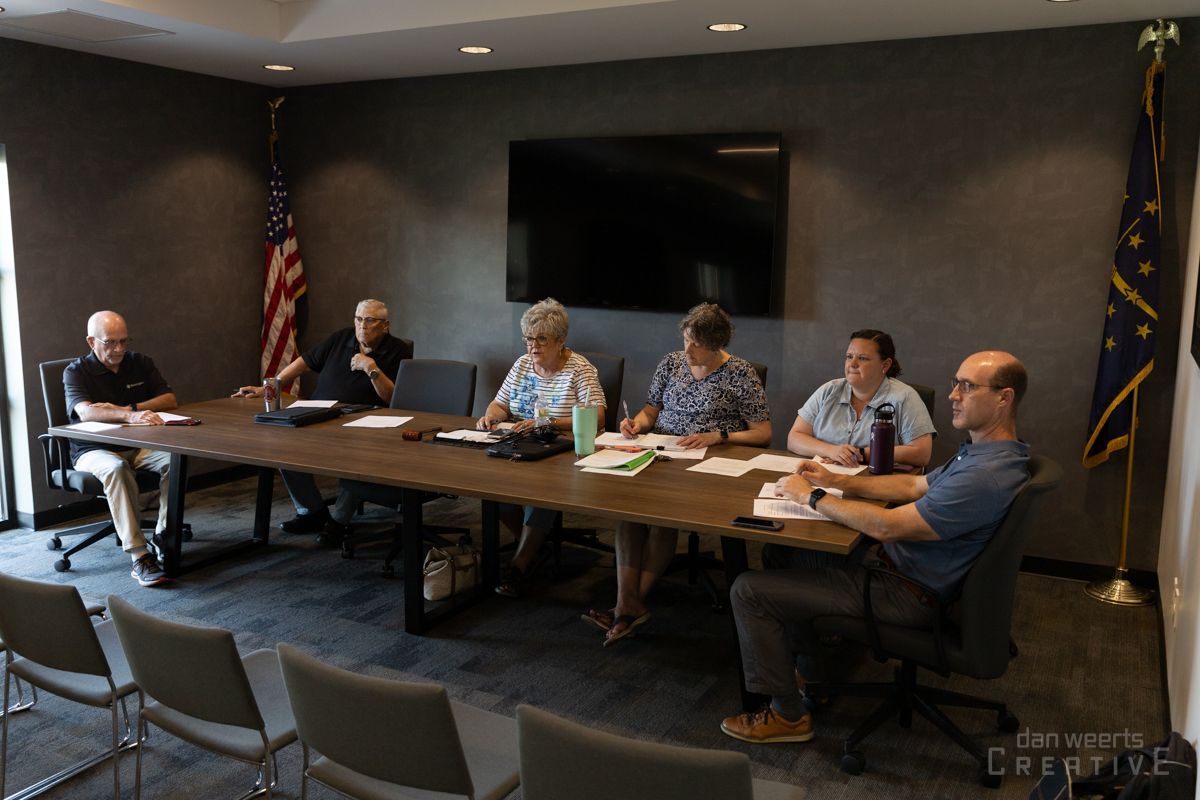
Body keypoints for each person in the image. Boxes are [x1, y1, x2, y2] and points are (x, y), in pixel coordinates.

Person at [718, 351, 1029, 745]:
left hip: (906, 591)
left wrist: (812, 496)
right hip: (903, 571)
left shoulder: (984, 476)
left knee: (748, 591)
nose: (953, 395)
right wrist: (839, 480)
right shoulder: (987, 454)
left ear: (1004, 397)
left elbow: (888, 525)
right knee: (782, 554)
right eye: (955, 383)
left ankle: (788, 717)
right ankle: (813, 673)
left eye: (966, 387)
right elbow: (914, 485)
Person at [585, 303, 771, 646]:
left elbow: (763, 433)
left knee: (661, 517)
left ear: (716, 344)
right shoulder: (671, 363)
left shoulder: (741, 374)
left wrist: (721, 435)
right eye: (685, 340)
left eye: (695, 344)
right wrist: (635, 425)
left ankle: (625, 606)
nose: (686, 350)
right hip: (661, 453)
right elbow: (651, 410)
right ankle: (628, 604)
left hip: (709, 465)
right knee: (628, 512)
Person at [233, 299, 411, 535]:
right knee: (282, 444)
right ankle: (311, 511)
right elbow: (303, 363)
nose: (362, 326)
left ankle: (338, 522)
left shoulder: (398, 350)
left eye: (370, 320)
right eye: (358, 319)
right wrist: (271, 386)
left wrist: (371, 368)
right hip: (321, 411)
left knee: (360, 456)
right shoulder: (340, 338)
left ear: (385, 325)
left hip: (364, 420)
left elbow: (393, 398)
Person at [474, 298, 605, 597]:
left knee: (542, 493)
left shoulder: (579, 369)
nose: (533, 347)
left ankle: (521, 562)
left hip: (561, 449)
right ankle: (533, 544)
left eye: (542, 339)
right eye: (529, 339)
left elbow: (597, 417)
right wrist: (491, 416)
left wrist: (543, 424)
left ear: (560, 341)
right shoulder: (522, 365)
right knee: (490, 486)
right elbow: (499, 403)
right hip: (520, 443)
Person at [64, 311, 178, 587]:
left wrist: (127, 410)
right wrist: (128, 417)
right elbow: (85, 412)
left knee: (175, 461)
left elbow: (170, 399)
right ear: (92, 341)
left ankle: (163, 536)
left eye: (123, 342)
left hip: (138, 445)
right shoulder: (76, 371)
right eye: (110, 342)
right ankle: (139, 556)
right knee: (117, 468)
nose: (119, 349)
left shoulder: (140, 362)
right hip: (93, 450)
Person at [788, 329, 934, 468]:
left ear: (885, 365)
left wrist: (862, 454)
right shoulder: (829, 390)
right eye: (849, 357)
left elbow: (921, 453)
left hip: (880, 483)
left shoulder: (905, 397)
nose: (852, 364)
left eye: (863, 358)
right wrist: (831, 451)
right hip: (823, 476)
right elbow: (794, 438)